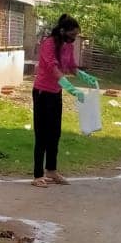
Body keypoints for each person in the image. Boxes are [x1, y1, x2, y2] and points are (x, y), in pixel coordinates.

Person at [32, 13, 87, 188]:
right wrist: (69, 86)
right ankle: (37, 175)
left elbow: (71, 66)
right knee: (42, 134)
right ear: (62, 31)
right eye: (72, 35)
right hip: (42, 92)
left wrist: (85, 77)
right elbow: (52, 67)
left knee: (55, 133)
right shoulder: (48, 44)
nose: (74, 38)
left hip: (56, 92)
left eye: (76, 35)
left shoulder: (67, 46)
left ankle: (51, 170)